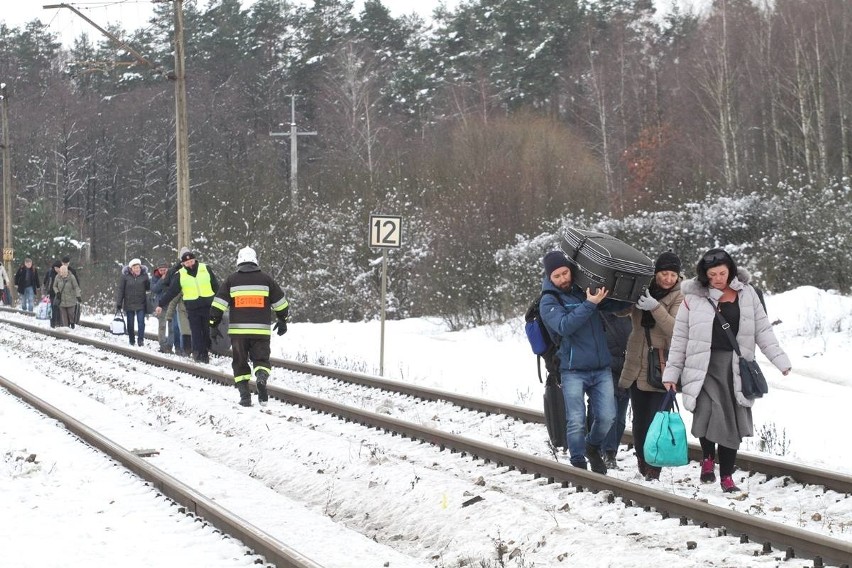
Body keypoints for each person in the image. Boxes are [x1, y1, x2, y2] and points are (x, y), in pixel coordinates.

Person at [662, 248, 792, 493]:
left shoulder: (747, 294)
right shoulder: (693, 298)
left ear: (730, 270)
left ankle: (727, 477)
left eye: (722, 273)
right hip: (703, 366)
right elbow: (680, 338)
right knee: (708, 413)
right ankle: (708, 457)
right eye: (713, 275)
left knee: (731, 421)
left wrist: (781, 361)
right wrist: (671, 374)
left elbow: (763, 330)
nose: (718, 278)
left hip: (735, 368)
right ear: (705, 275)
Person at [539, 250, 631, 474]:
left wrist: (631, 294)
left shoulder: (584, 291)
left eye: (565, 273)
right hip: (573, 369)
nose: (563, 279)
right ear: (549, 278)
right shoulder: (549, 300)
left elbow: (613, 306)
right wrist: (589, 304)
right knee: (576, 420)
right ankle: (578, 463)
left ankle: (592, 446)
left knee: (608, 417)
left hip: (601, 368)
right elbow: (564, 325)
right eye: (557, 276)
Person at [617, 250, 684, 481]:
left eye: (673, 275)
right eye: (664, 273)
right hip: (636, 363)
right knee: (640, 420)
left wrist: (655, 307)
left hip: (661, 367)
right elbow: (619, 311)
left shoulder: (680, 296)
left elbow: (676, 329)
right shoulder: (644, 289)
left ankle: (654, 468)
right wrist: (627, 293)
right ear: (656, 273)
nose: (668, 279)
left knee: (658, 419)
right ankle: (642, 462)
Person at [209, 246, 289, 407]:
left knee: (240, 362)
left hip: (238, 333)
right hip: (261, 330)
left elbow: (218, 305)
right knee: (261, 359)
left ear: (239, 261)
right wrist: (282, 320)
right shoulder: (266, 280)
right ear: (255, 260)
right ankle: (260, 377)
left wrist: (213, 324)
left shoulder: (231, 280)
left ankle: (245, 396)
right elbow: (281, 303)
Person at [155, 248, 219, 363]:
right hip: (192, 308)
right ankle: (199, 355)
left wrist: (221, 300)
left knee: (206, 330)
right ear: (183, 263)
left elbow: (215, 285)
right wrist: (161, 304)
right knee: (195, 331)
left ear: (195, 260)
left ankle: (204, 352)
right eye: (186, 263)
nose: (189, 264)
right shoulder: (180, 274)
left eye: (191, 261)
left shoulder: (205, 268)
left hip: (207, 306)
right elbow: (172, 292)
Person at [599, 311, 632, 470]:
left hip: (627, 370)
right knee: (610, 414)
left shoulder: (630, 314)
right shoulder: (599, 313)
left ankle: (609, 450)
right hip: (606, 369)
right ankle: (609, 453)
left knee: (620, 418)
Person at [116, 258, 151, 347]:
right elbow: (121, 290)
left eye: (138, 267)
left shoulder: (144, 276)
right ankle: (131, 339)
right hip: (129, 302)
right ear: (131, 268)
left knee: (141, 322)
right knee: (130, 323)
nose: (137, 269)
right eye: (134, 267)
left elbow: (149, 288)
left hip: (141, 303)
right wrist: (119, 302)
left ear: (140, 267)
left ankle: (140, 340)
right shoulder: (125, 277)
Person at [151, 263, 172, 353]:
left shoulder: (172, 276)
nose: (163, 272)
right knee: (162, 325)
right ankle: (163, 345)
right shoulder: (155, 277)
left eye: (164, 270)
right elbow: (154, 289)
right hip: (160, 304)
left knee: (172, 326)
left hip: (171, 303)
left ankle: (170, 345)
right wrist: (161, 280)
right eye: (161, 270)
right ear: (158, 270)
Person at [43, 260, 63, 328]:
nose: (57, 269)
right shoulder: (50, 272)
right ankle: (53, 323)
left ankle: (59, 322)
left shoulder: (62, 273)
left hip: (60, 293)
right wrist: (45, 292)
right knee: (53, 308)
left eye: (58, 268)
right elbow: (45, 282)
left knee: (59, 308)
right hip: (51, 293)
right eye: (56, 268)